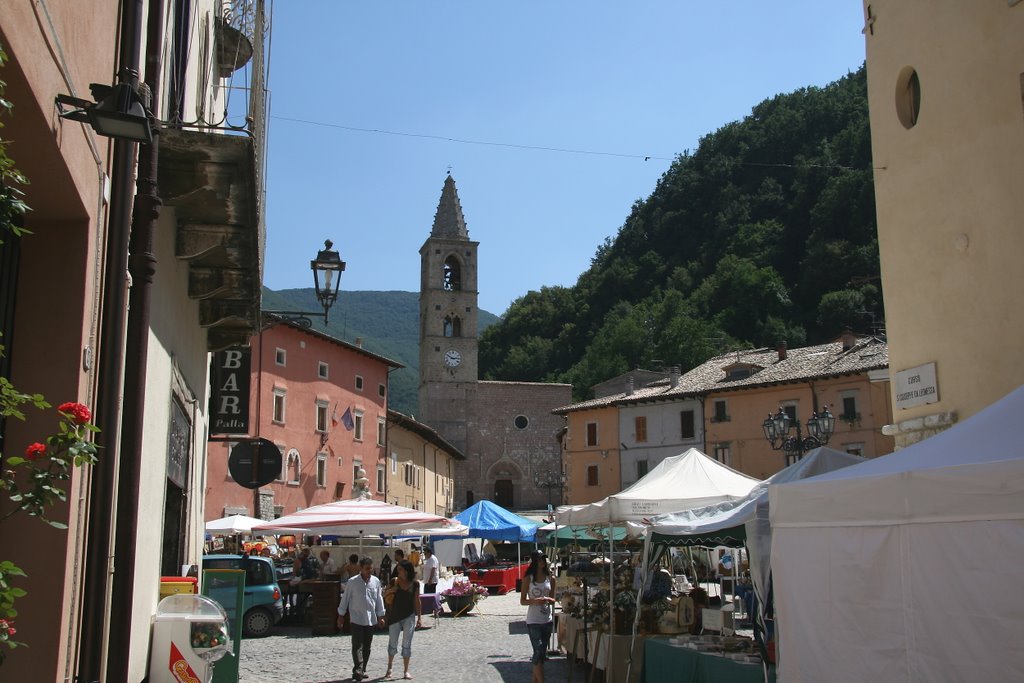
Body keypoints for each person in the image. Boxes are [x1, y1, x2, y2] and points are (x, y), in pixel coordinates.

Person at [337, 556, 386, 681]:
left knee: (367, 646)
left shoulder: (375, 581)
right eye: (367, 568)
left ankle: (362, 668)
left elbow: (379, 599)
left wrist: (381, 616)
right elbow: (345, 599)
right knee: (357, 644)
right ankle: (358, 669)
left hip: (370, 618)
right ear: (361, 568)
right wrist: (341, 615)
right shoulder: (352, 582)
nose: (370, 571)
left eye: (371, 568)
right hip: (356, 617)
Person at [521, 550, 556, 683]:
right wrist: (535, 601)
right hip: (533, 620)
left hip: (547, 620)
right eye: (539, 559)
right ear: (534, 562)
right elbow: (522, 600)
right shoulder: (528, 578)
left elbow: (553, 599)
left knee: (541, 654)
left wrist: (547, 599)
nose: (542, 562)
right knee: (538, 650)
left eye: (543, 559)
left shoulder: (550, 578)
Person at [383, 559, 422, 680]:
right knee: (393, 643)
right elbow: (384, 594)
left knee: (407, 644)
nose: (398, 571)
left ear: (406, 570)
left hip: (409, 616)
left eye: (400, 569)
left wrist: (419, 617)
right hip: (395, 616)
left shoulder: (415, 584)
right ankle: (389, 667)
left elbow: (417, 600)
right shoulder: (394, 581)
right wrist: (391, 590)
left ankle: (406, 670)